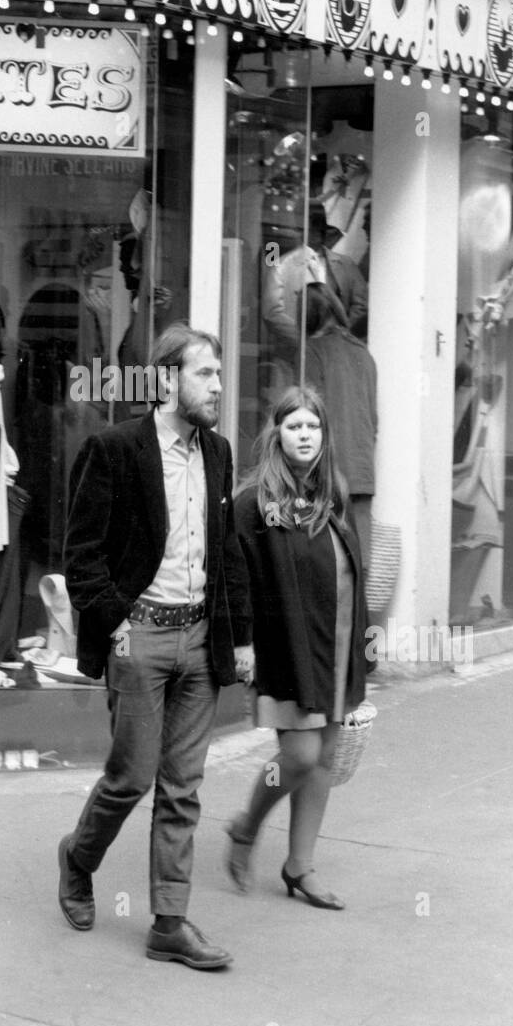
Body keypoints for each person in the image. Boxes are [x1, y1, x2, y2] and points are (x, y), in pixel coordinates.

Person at [59, 323, 254, 969]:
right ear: (168, 379)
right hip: (139, 635)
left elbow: (227, 551)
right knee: (132, 778)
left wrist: (241, 637)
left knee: (182, 787)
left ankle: (169, 922)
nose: (218, 386)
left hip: (199, 639)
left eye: (220, 374)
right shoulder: (115, 449)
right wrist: (116, 624)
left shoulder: (218, 453)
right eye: (206, 374)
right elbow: (81, 555)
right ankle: (78, 857)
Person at [225, 385, 368, 909]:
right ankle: (247, 825)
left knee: (324, 756)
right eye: (294, 426)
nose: (305, 435)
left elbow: (350, 565)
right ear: (277, 433)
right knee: (299, 755)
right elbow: (235, 577)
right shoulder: (253, 502)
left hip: (339, 642)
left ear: (324, 434)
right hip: (287, 647)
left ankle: (299, 866)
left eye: (313, 426)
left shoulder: (334, 493)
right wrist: (242, 642)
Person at [302, 282, 377, 568]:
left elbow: (309, 417)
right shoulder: (364, 354)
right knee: (360, 566)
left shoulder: (312, 351)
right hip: (361, 472)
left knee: (325, 567)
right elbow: (373, 421)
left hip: (327, 471)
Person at [262, 202, 368, 353]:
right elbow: (272, 313)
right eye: (311, 224)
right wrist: (305, 342)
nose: (315, 230)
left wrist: (343, 336)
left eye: (318, 224)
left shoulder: (346, 264)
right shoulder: (282, 266)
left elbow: (361, 305)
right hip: (298, 355)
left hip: (339, 352)